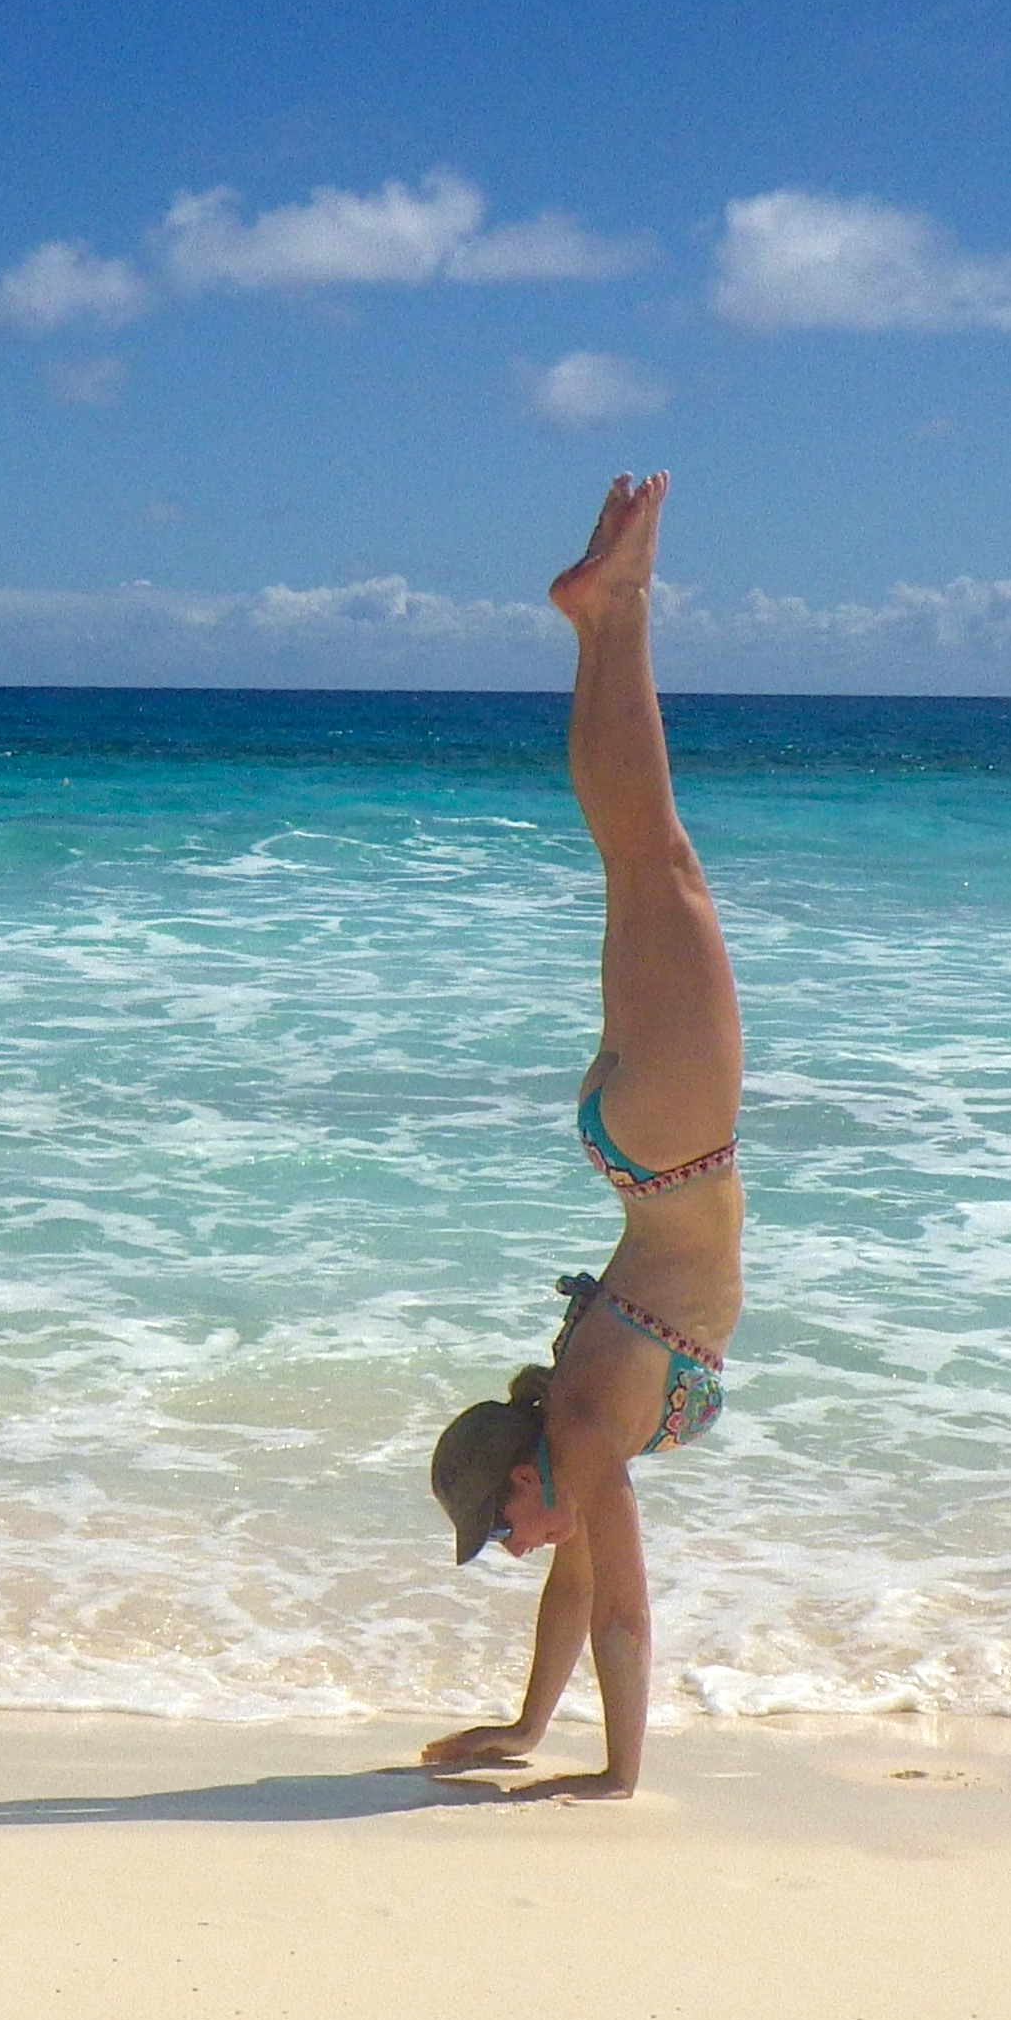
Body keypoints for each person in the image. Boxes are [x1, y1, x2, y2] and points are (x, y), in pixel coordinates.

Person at [421, 472, 742, 1802]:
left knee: (652, 858)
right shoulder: (571, 1437)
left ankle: (615, 613)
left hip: (673, 1144)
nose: (514, 1552)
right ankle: (606, 616)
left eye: (498, 1532)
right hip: (643, 1146)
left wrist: (618, 1777)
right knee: (644, 862)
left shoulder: (590, 1433)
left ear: (522, 1482)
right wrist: (522, 1733)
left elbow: (624, 1612)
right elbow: (581, 1594)